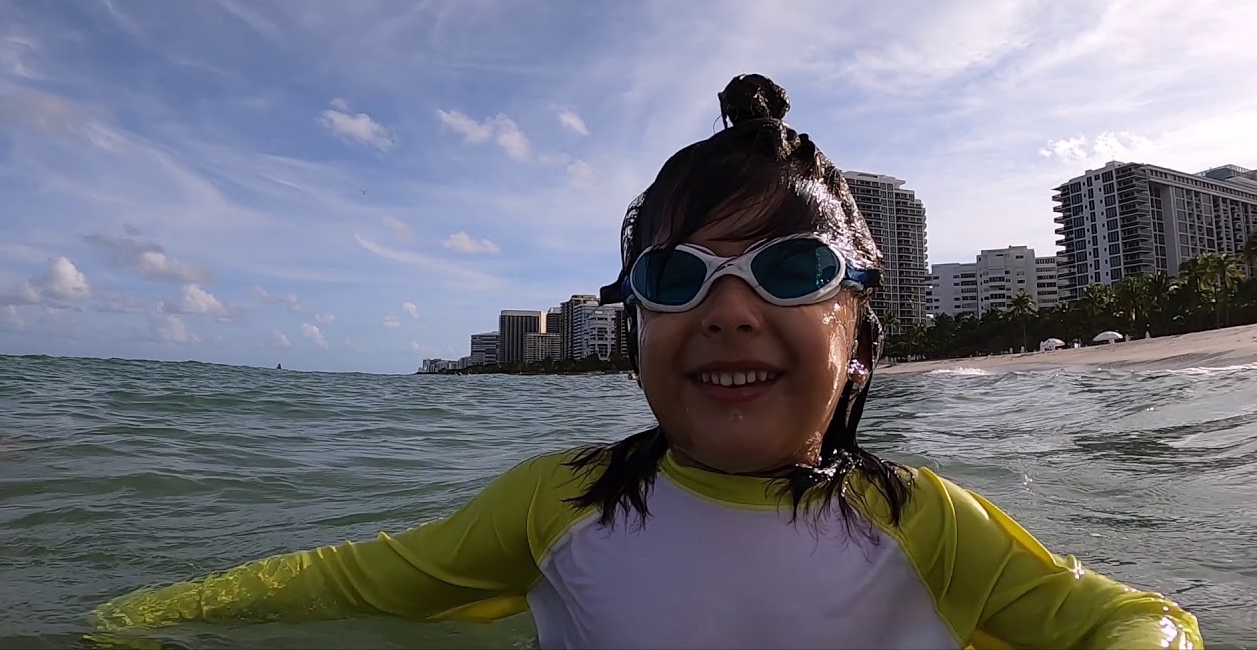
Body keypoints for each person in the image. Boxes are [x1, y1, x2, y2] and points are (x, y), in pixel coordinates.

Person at [90, 75, 1204, 649]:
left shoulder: (921, 519)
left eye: (786, 271)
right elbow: (352, 580)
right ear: (633, 341)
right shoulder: (557, 503)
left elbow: (1125, 618)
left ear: (860, 338)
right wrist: (138, 618)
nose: (726, 312)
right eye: (675, 280)